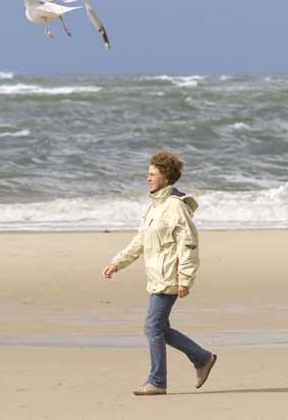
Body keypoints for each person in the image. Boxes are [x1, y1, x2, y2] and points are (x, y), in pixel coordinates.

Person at [102, 150, 217, 396]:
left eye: (152, 174)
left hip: (170, 277)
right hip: (157, 277)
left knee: (152, 327)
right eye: (148, 173)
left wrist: (185, 279)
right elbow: (140, 241)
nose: (148, 178)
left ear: (166, 176)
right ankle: (202, 358)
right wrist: (117, 263)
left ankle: (157, 381)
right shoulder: (155, 207)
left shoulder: (176, 207)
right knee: (160, 329)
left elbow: (189, 245)